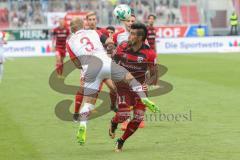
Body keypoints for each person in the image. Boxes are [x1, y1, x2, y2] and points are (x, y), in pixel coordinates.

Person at [66, 18, 159, 145]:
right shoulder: (93, 32)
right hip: (104, 61)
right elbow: (109, 41)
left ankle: (83, 124)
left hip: (89, 68)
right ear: (84, 25)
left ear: (72, 30)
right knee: (128, 77)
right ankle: (143, 97)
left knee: (88, 102)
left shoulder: (70, 42)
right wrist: (110, 47)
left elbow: (76, 63)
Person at [109, 23, 158, 152]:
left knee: (138, 117)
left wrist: (146, 84)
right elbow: (113, 65)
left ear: (141, 38)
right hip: (123, 87)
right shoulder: (122, 47)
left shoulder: (149, 53)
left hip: (139, 89)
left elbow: (154, 75)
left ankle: (121, 140)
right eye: (130, 32)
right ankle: (114, 123)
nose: (129, 36)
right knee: (123, 115)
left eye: (133, 34)